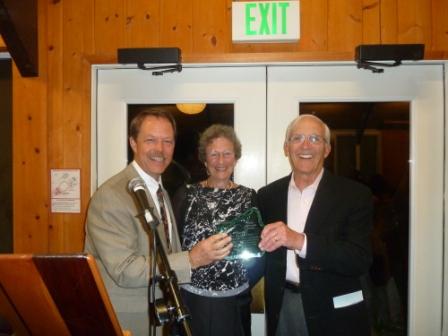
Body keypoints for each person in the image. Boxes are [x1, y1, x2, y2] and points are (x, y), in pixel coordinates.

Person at [84, 110, 231, 336]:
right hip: (127, 321)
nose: (160, 150)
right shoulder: (111, 196)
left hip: (161, 317)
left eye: (167, 141)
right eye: (150, 140)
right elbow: (126, 270)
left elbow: (166, 250)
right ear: (133, 142)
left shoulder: (159, 190)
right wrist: (191, 259)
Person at [257, 114, 373, 336]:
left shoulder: (355, 195)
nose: (305, 145)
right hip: (284, 306)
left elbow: (359, 259)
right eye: (297, 138)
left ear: (327, 149)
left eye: (314, 138)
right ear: (286, 147)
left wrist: (300, 241)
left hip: (335, 312)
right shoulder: (267, 196)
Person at [173, 124, 261, 336]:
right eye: (214, 154)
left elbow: (259, 251)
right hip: (192, 301)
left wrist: (240, 278)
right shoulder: (186, 196)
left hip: (235, 302)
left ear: (236, 158)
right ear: (204, 159)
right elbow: (172, 245)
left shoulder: (250, 197)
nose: (221, 161)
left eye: (227, 154)